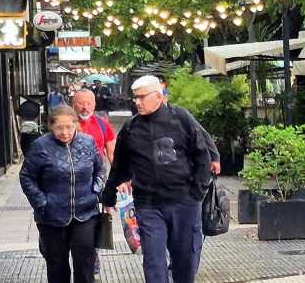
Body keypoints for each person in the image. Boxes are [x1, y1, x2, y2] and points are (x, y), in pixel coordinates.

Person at [102, 75, 214, 283]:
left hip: (184, 201)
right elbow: (119, 167)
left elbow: (202, 154)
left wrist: (197, 193)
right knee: (153, 260)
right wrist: (107, 197)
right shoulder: (131, 128)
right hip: (149, 205)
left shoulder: (181, 118)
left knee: (185, 259)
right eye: (135, 98)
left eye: (142, 97)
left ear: (158, 96)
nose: (137, 102)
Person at [19, 105, 104, 283]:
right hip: (51, 215)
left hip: (85, 212)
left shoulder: (88, 142)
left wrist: (96, 191)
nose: (64, 132)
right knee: (57, 264)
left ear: (75, 125)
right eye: (59, 128)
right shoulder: (40, 145)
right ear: (51, 126)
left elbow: (100, 169)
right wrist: (42, 202)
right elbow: (27, 176)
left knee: (85, 262)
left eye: (69, 127)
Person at [72, 89, 117, 164]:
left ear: (94, 104)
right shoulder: (66, 124)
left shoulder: (103, 124)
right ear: (73, 104)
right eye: (81, 103)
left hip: (97, 172)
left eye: (89, 104)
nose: (85, 107)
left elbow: (112, 154)